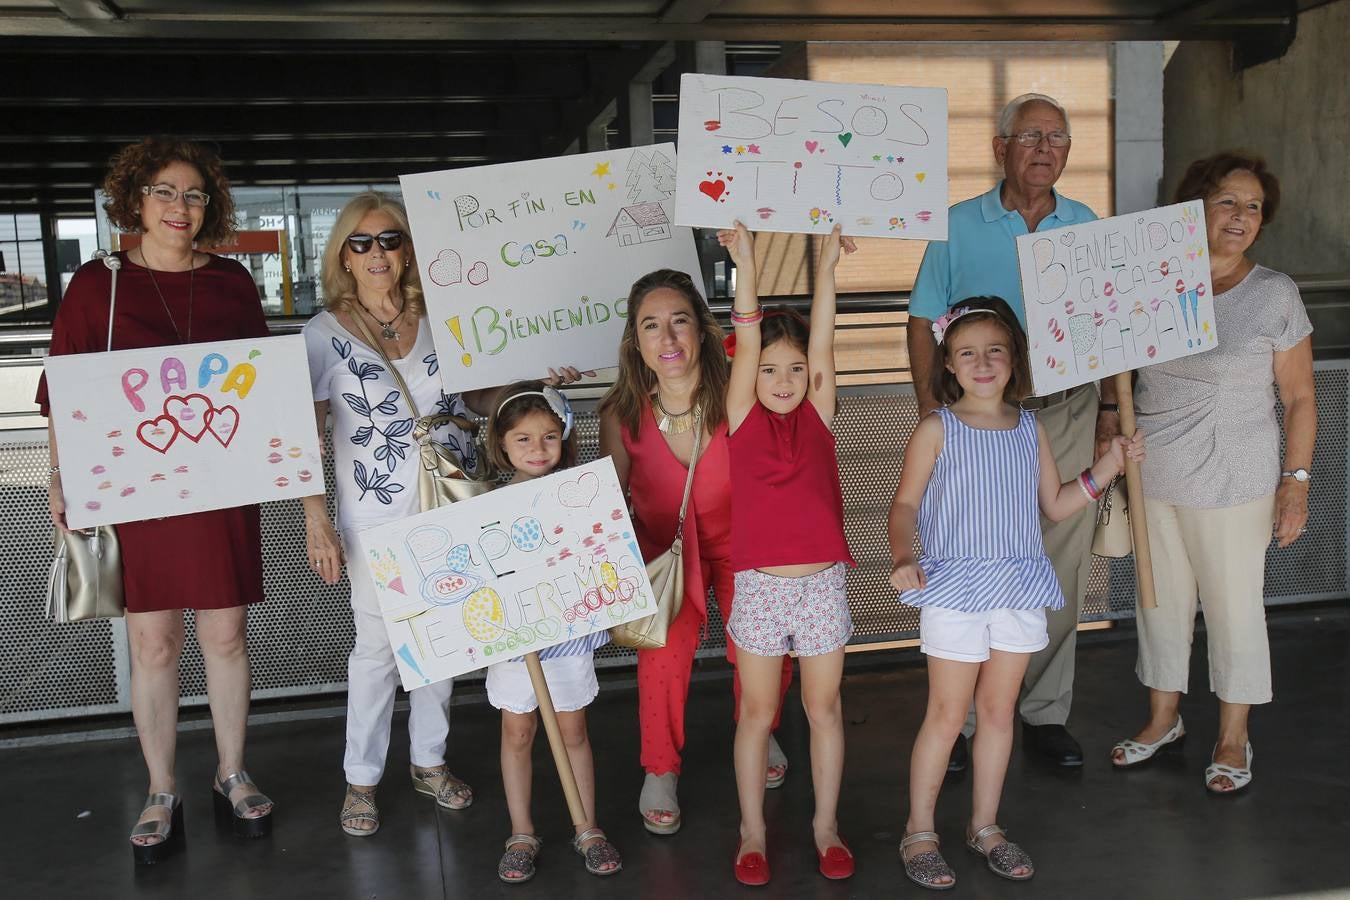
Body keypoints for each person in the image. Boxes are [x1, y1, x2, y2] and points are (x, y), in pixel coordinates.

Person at [303, 192, 588, 837]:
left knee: (439, 644)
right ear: (343, 254)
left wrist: (539, 382)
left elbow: (483, 397)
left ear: (408, 249)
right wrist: (315, 518)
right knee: (378, 649)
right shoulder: (321, 335)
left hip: (454, 502)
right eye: (363, 242)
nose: (379, 253)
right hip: (373, 513)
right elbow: (304, 434)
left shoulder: (440, 318)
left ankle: (428, 760)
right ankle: (362, 778)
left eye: (391, 240)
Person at [39, 136, 274, 864]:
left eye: (195, 194)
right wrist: (58, 475)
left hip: (221, 486)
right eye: (166, 192)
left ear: (212, 206)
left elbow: (262, 390)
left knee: (226, 634)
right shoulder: (97, 285)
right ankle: (161, 785)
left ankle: (231, 771)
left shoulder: (233, 283)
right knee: (153, 640)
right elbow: (64, 390)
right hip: (137, 489)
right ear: (135, 200)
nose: (181, 207)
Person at [888, 298, 1144, 888]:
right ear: (948, 364)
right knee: (949, 714)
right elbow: (905, 505)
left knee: (999, 712)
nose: (983, 363)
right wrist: (904, 555)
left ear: (1014, 361)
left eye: (994, 351)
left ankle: (985, 826)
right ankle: (919, 830)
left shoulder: (1030, 427)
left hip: (1017, 588)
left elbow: (1055, 505)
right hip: (953, 588)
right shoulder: (937, 427)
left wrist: (1109, 464)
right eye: (968, 353)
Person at [907, 93, 1108, 769]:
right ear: (1000, 148)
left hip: (1066, 408)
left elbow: (1111, 326)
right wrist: (929, 411)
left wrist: (1109, 411)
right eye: (1030, 136)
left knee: (1058, 562)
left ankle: (1043, 712)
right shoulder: (957, 225)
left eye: (1058, 137)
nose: (1045, 149)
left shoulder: (1087, 224)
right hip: (975, 421)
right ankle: (959, 719)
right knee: (962, 550)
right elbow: (921, 319)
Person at [1110, 153, 1315, 794]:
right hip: (1153, 471)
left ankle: (1233, 736)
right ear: (1195, 205)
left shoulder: (1274, 293)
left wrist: (1296, 481)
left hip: (1236, 480)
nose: (1241, 216)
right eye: (1229, 201)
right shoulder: (1152, 282)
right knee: (1160, 603)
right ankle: (1163, 719)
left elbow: (1301, 396)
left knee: (1234, 610)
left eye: (1253, 207)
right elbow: (1117, 370)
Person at [598, 269, 793, 835]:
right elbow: (612, 502)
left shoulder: (739, 394)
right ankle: (659, 768)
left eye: (680, 320)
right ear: (636, 341)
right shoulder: (621, 413)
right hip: (664, 554)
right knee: (662, 654)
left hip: (742, 542)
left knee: (760, 646)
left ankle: (763, 724)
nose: (669, 338)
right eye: (652, 326)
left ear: (702, 330)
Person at [717, 222, 857, 886]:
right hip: (761, 590)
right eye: (770, 368)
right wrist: (745, 261)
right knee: (757, 712)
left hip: (823, 585)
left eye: (794, 367)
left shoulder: (820, 412)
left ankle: (825, 827)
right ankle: (753, 831)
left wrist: (827, 268)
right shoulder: (741, 416)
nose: (782, 377)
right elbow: (748, 340)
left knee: (823, 709)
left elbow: (823, 338)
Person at [481, 381, 622, 884]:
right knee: (517, 732)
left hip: (566, 639)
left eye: (548, 436)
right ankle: (521, 831)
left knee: (573, 730)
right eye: (522, 439)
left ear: (564, 437)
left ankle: (587, 826)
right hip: (515, 645)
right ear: (501, 444)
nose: (537, 449)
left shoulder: (579, 496)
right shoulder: (484, 508)